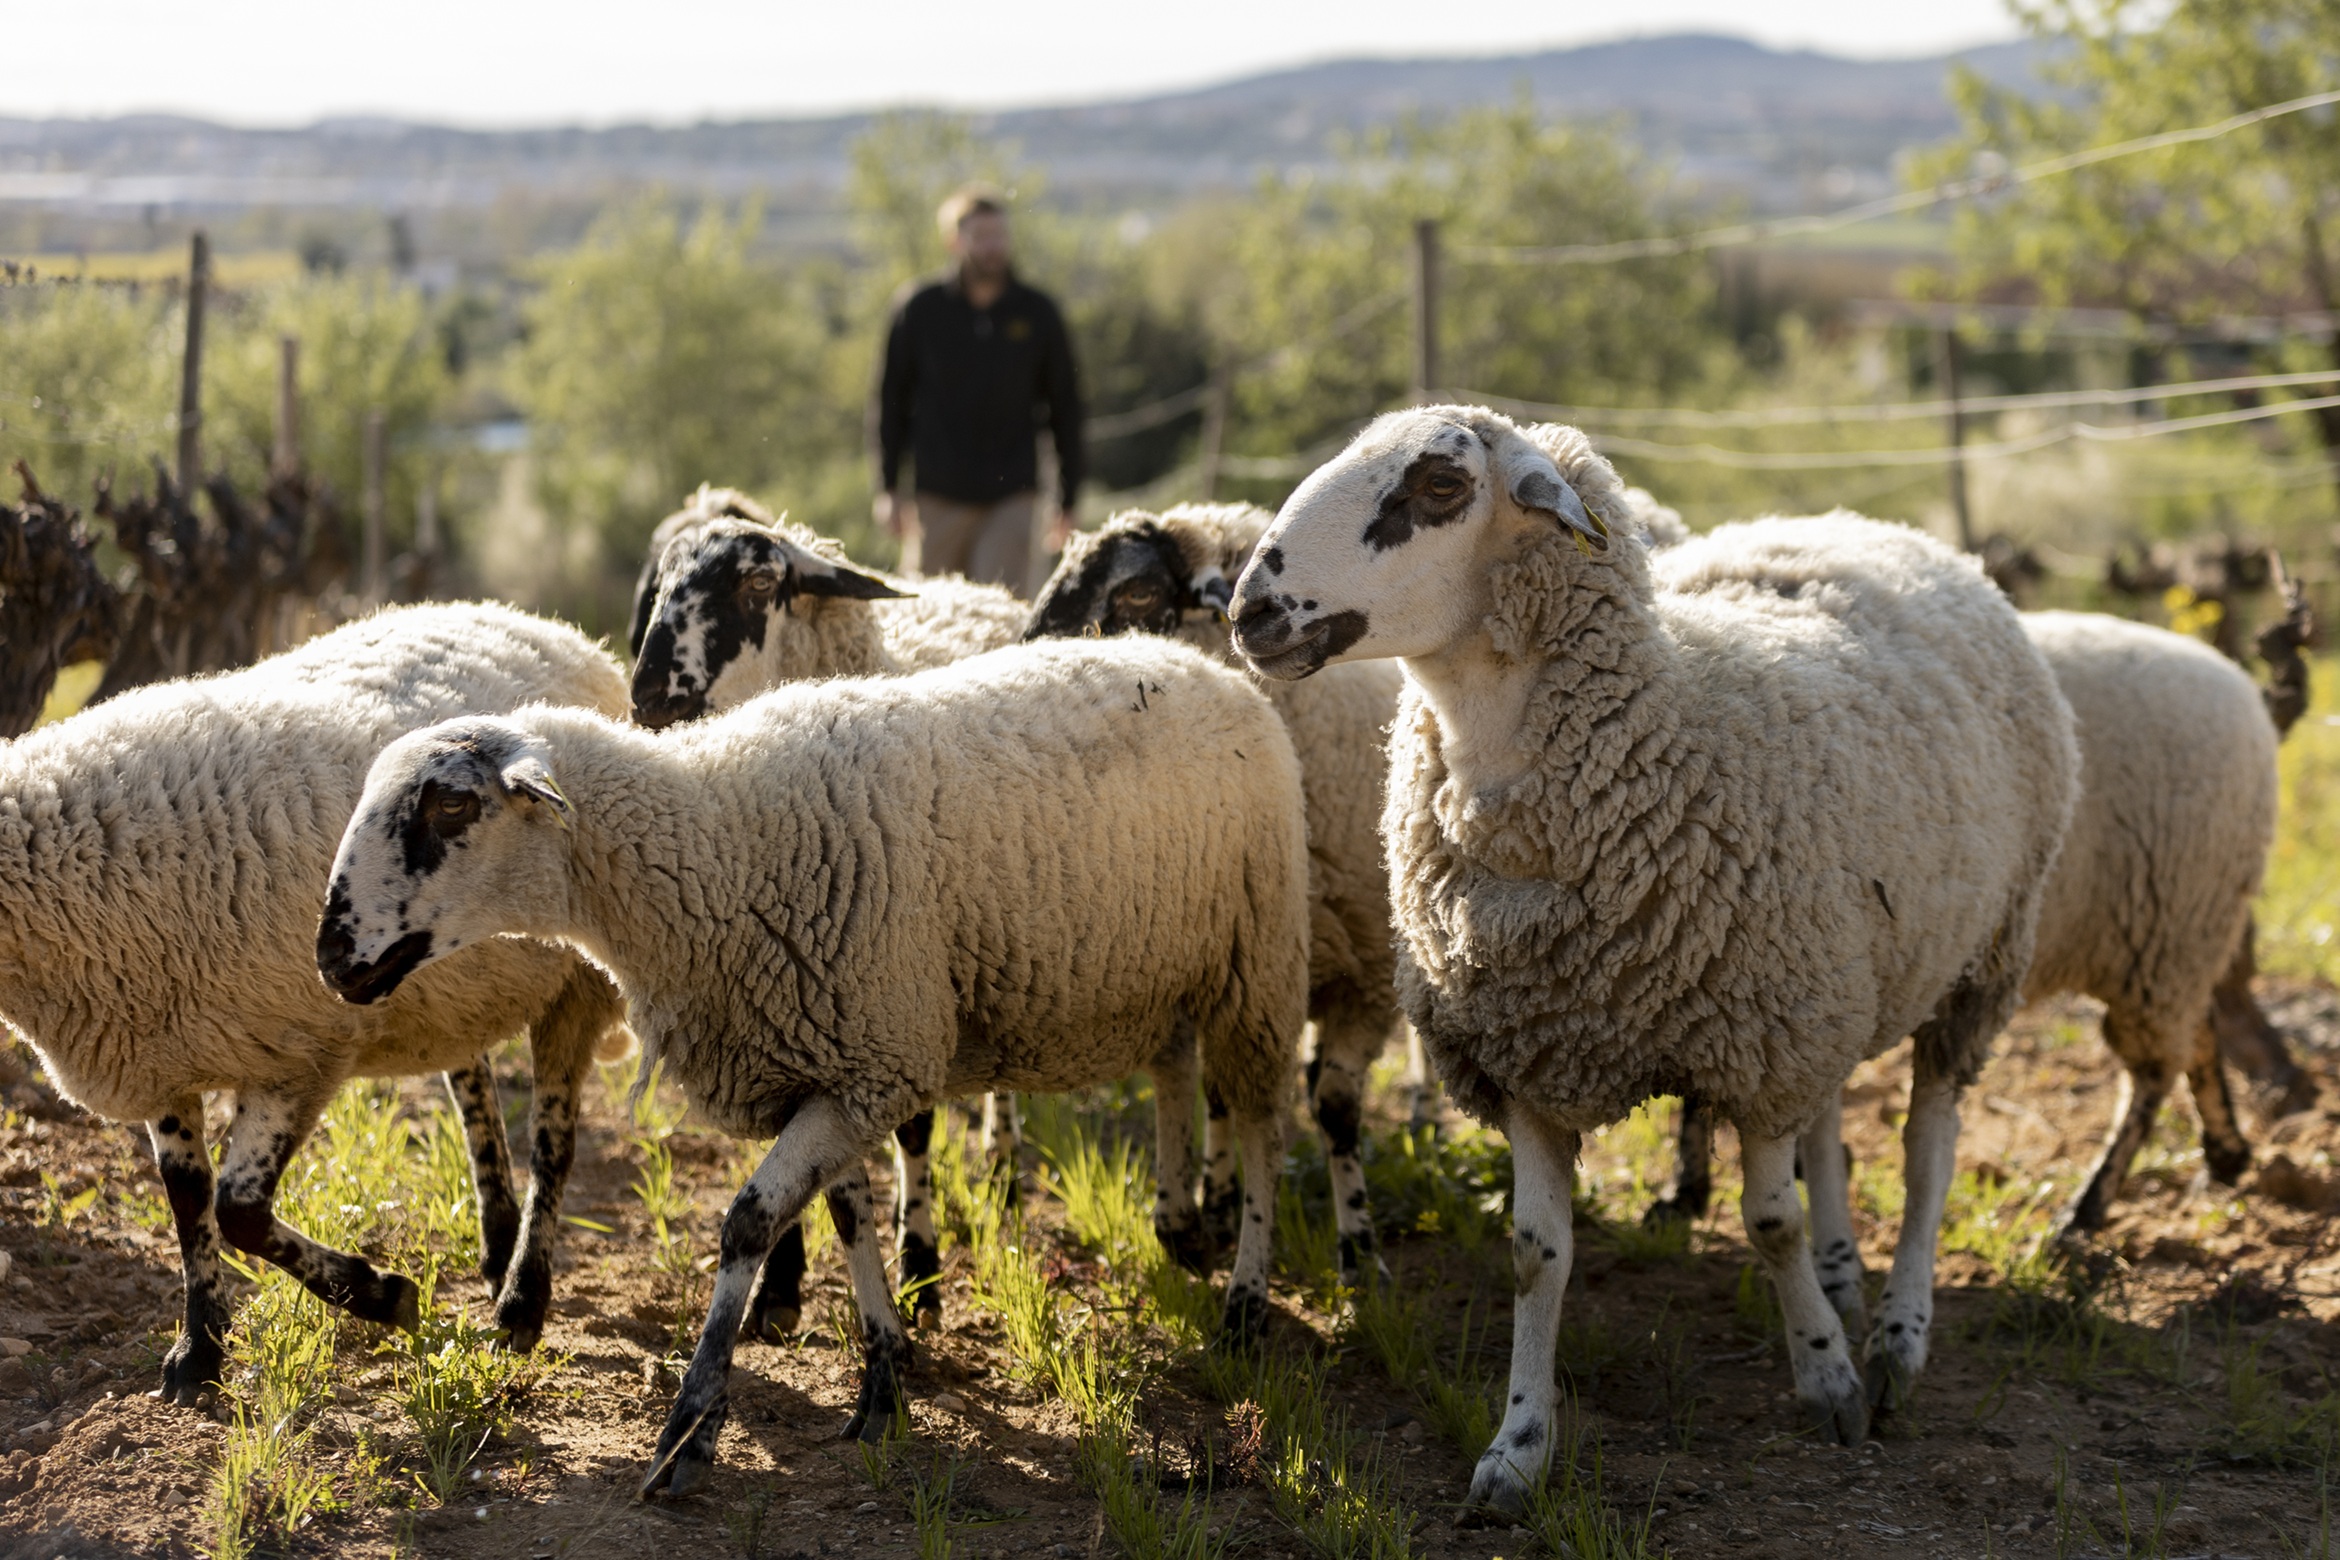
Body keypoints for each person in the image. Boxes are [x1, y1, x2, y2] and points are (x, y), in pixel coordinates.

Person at [871, 186, 1083, 591]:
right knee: (926, 619)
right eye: (981, 237)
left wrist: (1068, 498)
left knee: (1003, 618)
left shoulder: (1037, 313)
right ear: (955, 241)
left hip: (1013, 499)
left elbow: (1066, 408)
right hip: (938, 497)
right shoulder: (919, 309)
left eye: (999, 236)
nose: (993, 247)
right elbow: (889, 402)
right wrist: (888, 488)